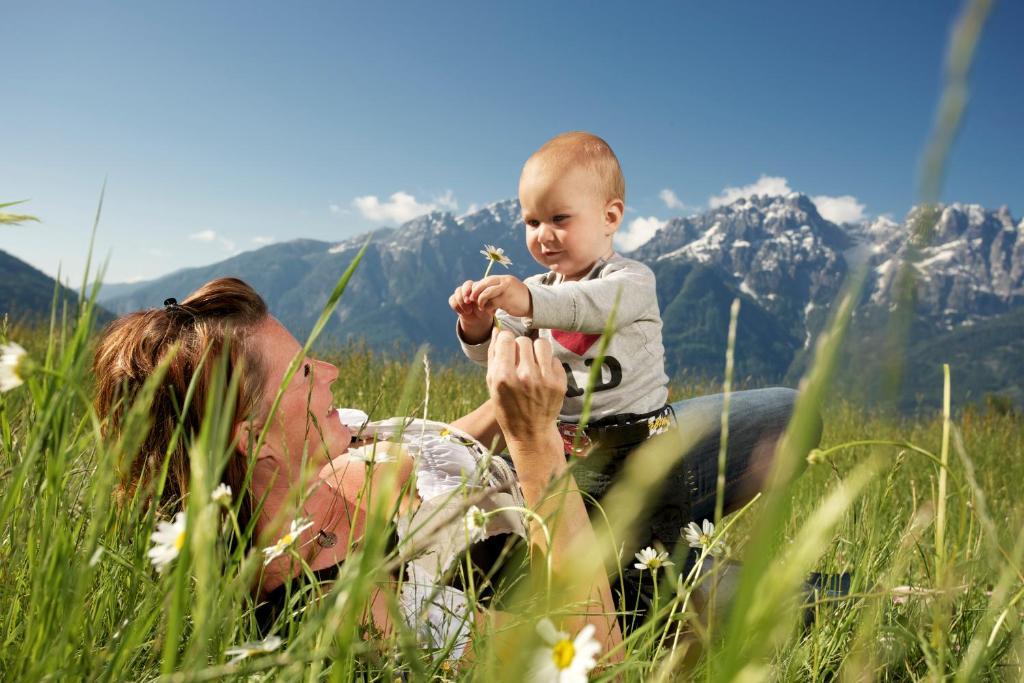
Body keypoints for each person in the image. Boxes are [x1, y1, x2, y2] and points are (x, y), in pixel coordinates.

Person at [93, 277, 814, 662]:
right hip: (605, 576)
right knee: (858, 599)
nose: (333, 369)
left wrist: (518, 396)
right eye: (306, 368)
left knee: (789, 412)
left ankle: (705, 531)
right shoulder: (352, 614)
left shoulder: (315, 451)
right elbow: (592, 661)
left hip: (574, 470)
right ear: (253, 436)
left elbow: (448, 439)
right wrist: (533, 443)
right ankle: (708, 575)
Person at [449, 132, 671, 464]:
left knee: (650, 517)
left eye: (559, 218)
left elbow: (586, 306)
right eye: (532, 222)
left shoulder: (632, 280)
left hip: (641, 446)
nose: (543, 235)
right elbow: (494, 356)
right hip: (563, 447)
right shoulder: (536, 288)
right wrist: (477, 324)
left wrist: (526, 300)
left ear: (609, 217)